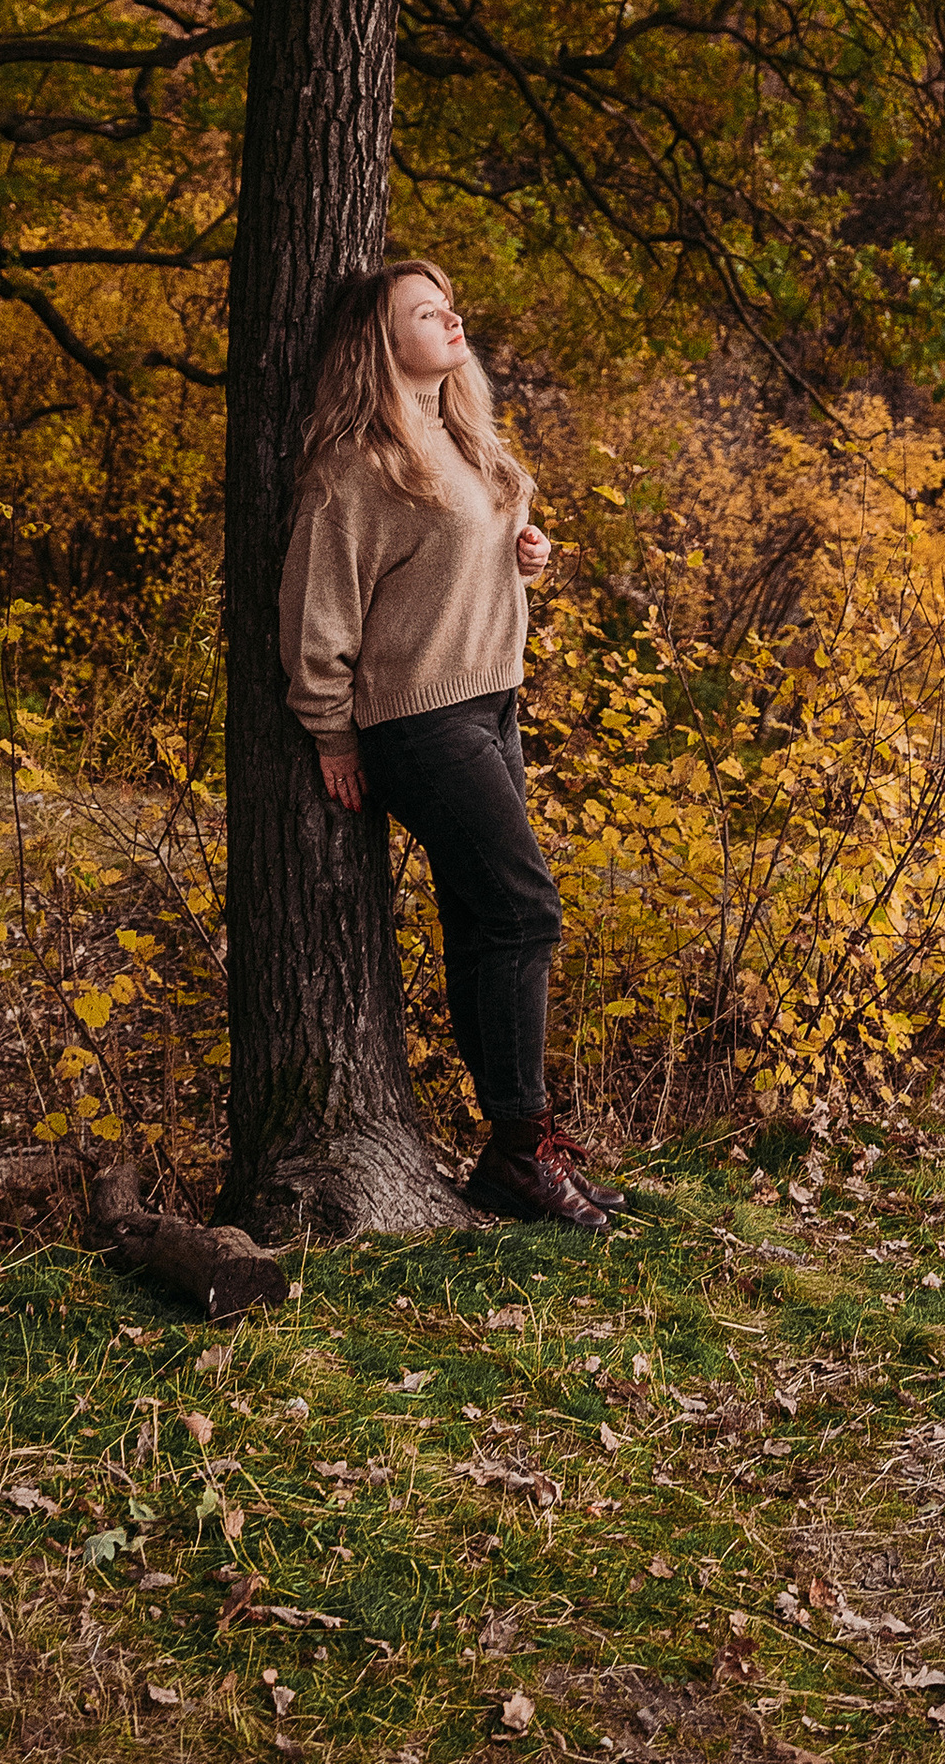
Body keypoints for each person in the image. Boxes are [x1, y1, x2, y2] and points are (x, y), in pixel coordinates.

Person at [281, 256, 615, 1233]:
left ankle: (505, 1159)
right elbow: (317, 609)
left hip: (493, 704)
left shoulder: (461, 436)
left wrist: (528, 555)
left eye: (450, 306)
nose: (451, 319)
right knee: (524, 911)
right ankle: (520, 1149)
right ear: (383, 345)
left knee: (483, 923)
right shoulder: (357, 466)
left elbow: (472, 552)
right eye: (426, 313)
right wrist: (332, 732)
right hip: (419, 721)